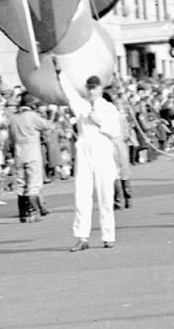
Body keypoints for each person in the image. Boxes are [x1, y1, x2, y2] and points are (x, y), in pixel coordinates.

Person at [59, 72, 122, 251]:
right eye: (89, 88)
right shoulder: (82, 105)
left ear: (100, 89)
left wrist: (97, 118)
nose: (91, 91)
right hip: (84, 147)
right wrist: (60, 74)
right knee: (82, 192)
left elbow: (114, 131)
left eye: (94, 88)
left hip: (102, 148)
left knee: (105, 193)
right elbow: (69, 93)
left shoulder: (108, 107)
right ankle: (82, 236)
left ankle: (108, 235)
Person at [7, 94, 51, 224]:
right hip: (32, 150)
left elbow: (11, 137)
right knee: (34, 183)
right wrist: (49, 114)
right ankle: (34, 212)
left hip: (19, 151)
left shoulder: (14, 118)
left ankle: (23, 213)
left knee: (21, 183)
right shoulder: (32, 116)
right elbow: (47, 125)